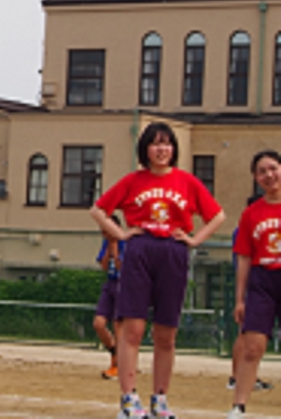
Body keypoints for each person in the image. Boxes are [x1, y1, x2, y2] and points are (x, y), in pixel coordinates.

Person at [90, 121, 225, 419]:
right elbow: (98, 209)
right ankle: (128, 399)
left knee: (166, 333)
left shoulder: (187, 182)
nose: (161, 149)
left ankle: (160, 400)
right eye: (155, 143)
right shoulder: (133, 180)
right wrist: (121, 234)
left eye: (167, 143)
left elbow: (217, 215)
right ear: (145, 149)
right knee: (133, 330)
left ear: (174, 148)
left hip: (173, 251)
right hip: (140, 249)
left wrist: (194, 240)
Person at [227, 150, 281, 418]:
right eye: (262, 172)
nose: (269, 175)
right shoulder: (251, 213)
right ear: (256, 178)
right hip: (262, 280)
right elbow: (244, 257)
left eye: (273, 168)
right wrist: (240, 299)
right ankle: (239, 405)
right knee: (253, 346)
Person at [227, 194, 272, 393]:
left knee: (250, 335)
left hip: (262, 281)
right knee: (246, 333)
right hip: (256, 282)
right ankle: (237, 376)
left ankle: (243, 375)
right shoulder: (246, 226)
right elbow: (243, 258)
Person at [93, 214, 125, 380]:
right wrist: (108, 249)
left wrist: (115, 247)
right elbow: (104, 266)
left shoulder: (126, 242)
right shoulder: (106, 243)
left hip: (124, 285)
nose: (103, 233)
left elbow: (121, 267)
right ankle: (114, 353)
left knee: (118, 325)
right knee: (99, 323)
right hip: (110, 283)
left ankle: (120, 364)